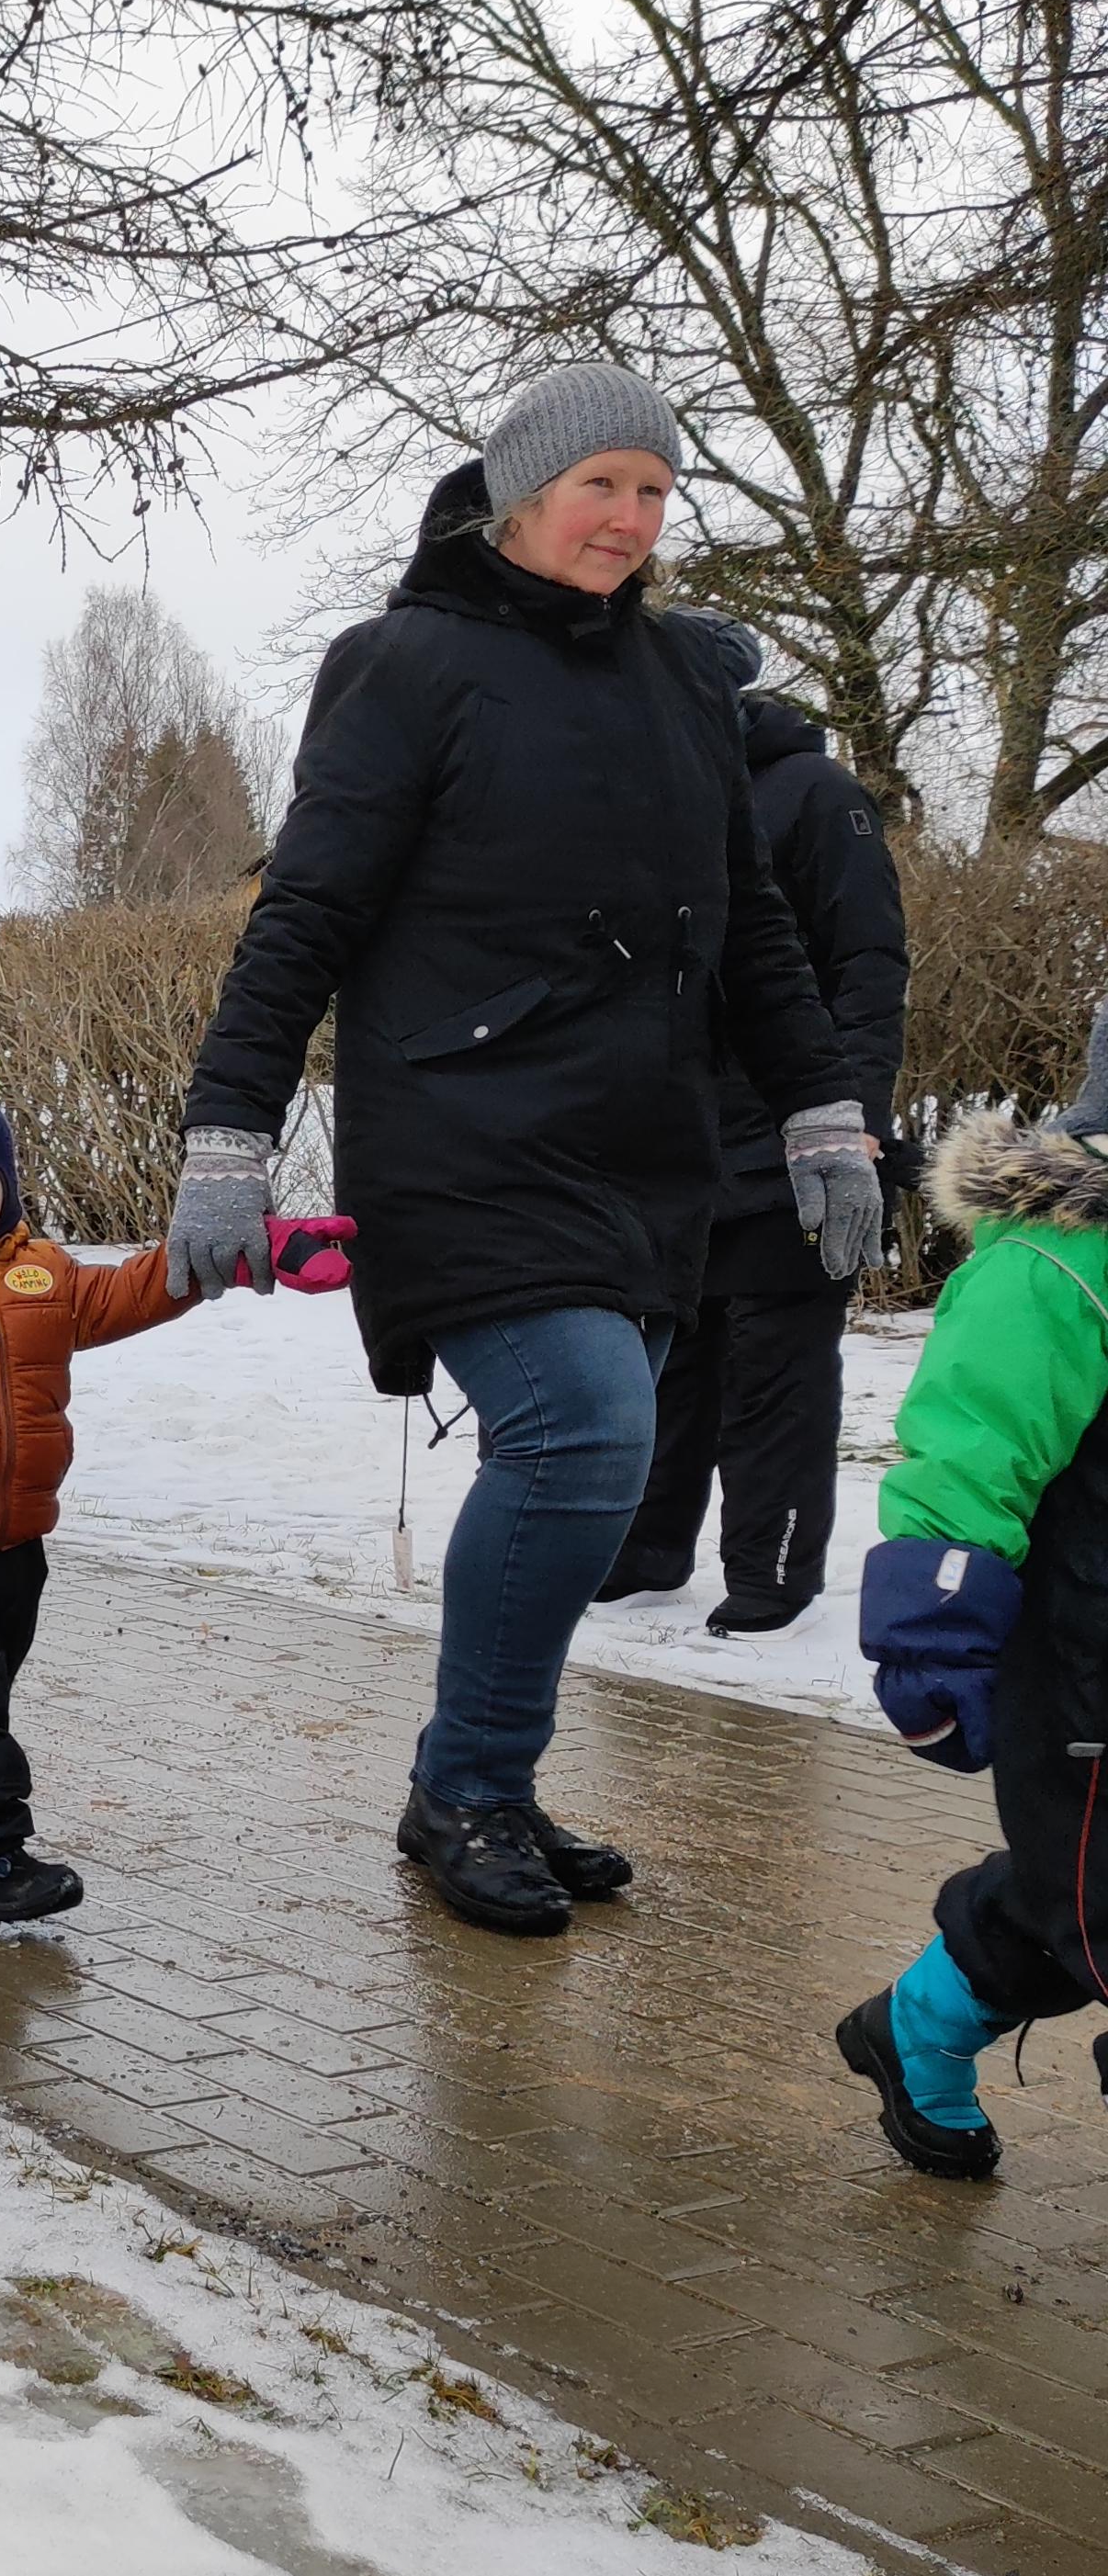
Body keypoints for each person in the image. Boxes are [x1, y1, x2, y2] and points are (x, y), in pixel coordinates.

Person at [170, 362, 881, 1940]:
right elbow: (307, 911)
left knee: (591, 1462)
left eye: (653, 491)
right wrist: (229, 1129)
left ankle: (480, 1773)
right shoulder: (405, 666)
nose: (627, 519)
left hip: (642, 1146)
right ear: (519, 493)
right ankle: (470, 1787)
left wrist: (821, 1107)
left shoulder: (683, 682)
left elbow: (755, 930)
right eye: (597, 486)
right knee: (581, 1432)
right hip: (460, 1129)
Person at [0, 1079, 349, 1927]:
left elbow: (128, 1293)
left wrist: (237, 1248)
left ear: (5, 1184)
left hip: (15, 1546)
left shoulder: (39, 1273)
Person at [602, 622, 910, 1633]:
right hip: (675, 1140)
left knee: (776, 1366)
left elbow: (867, 966)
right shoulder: (653, 792)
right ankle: (646, 1549)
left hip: (795, 1132)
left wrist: (856, 1119)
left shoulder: (815, 795)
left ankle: (771, 1573)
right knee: (670, 1356)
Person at [845, 1013, 1108, 2181]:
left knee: (1071, 1901)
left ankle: (918, 2022)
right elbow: (966, 1448)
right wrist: (932, 1631)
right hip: (1084, 1672)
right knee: (1092, 1893)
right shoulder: (1061, 1260)